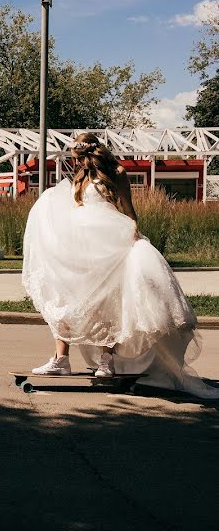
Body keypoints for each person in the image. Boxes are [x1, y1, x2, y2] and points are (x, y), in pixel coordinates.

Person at [22, 132, 219, 399]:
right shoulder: (80, 178)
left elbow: (128, 209)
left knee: (106, 303)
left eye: (79, 158)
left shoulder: (117, 173)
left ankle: (107, 359)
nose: (76, 164)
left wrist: (133, 235)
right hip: (80, 245)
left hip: (109, 244)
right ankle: (61, 359)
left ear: (91, 154)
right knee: (65, 299)